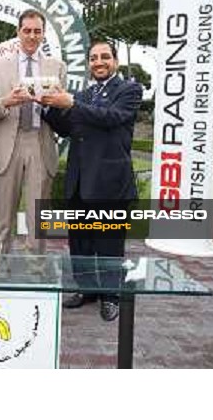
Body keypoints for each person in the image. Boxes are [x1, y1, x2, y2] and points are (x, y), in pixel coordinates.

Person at [41, 41, 142, 322]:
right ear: (88, 63)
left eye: (104, 57)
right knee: (80, 243)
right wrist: (45, 105)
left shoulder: (130, 90)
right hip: (79, 181)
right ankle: (87, 290)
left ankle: (111, 297)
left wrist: (72, 103)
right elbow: (69, 127)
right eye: (94, 58)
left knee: (109, 244)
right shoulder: (84, 94)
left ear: (115, 61)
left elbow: (111, 118)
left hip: (110, 182)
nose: (99, 62)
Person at [0, 10, 66, 255]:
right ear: (18, 32)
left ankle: (36, 274)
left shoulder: (57, 66)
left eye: (37, 31)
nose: (32, 36)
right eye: (27, 30)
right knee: (3, 218)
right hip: (10, 141)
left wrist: (55, 102)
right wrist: (7, 101)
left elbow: (63, 114)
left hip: (41, 141)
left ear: (43, 34)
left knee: (37, 220)